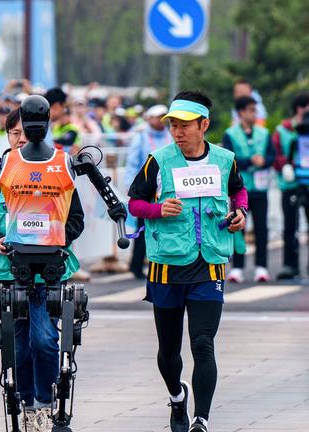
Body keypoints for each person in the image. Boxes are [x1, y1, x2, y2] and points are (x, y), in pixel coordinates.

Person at [128, 91, 247, 432]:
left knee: (202, 342)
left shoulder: (225, 160)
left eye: (184, 125)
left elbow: (238, 191)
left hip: (209, 264)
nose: (177, 132)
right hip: (167, 266)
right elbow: (135, 202)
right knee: (168, 351)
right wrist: (157, 209)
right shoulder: (159, 160)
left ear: (204, 125)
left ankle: (201, 420)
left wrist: (240, 212)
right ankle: (178, 397)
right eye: (173, 126)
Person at [0, 107, 84, 431]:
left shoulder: (58, 168)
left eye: (28, 133)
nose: (23, 140)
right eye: (16, 134)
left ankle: (45, 406)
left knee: (45, 340)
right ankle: (25, 404)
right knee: (18, 347)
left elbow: (75, 220)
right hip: (8, 271)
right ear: (7, 135)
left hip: (49, 270)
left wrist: (56, 238)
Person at [223, 96, 275, 282]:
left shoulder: (264, 133)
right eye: (251, 110)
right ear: (241, 112)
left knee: (262, 228)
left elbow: (272, 155)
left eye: (255, 110)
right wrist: (249, 161)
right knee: (237, 227)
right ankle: (237, 268)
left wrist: (264, 161)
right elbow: (229, 158)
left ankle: (261, 267)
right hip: (239, 188)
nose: (254, 113)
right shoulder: (230, 134)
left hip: (260, 188)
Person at [124, 104, 172, 279]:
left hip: (165, 190)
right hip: (145, 190)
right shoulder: (141, 138)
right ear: (149, 118)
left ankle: (158, 263)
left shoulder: (169, 136)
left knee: (164, 227)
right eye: (157, 116)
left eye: (163, 116)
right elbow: (132, 163)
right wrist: (131, 187)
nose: (160, 120)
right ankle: (136, 265)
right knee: (143, 228)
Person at [272, 93, 309, 279]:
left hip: (307, 181)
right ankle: (290, 265)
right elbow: (275, 153)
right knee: (290, 226)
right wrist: (285, 165)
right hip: (290, 184)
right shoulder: (284, 130)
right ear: (300, 108)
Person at [44, 87, 82, 154]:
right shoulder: (44, 126)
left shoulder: (46, 124)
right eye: (64, 107)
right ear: (57, 105)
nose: (63, 111)